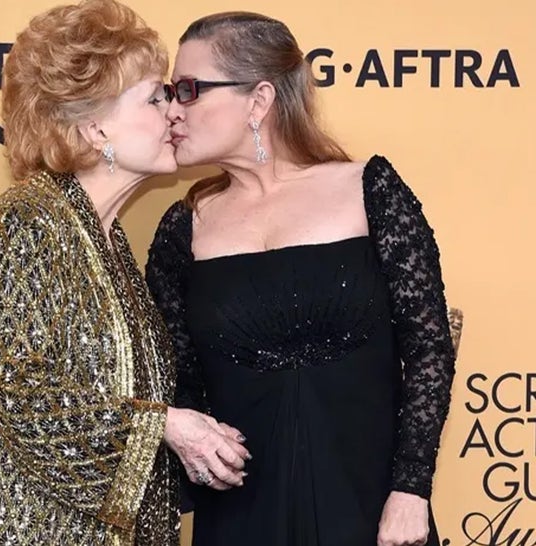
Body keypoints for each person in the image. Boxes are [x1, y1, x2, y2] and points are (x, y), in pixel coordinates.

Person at [146, 11, 456, 546]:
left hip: (372, 511)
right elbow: (179, 384)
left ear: (259, 101)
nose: (173, 110)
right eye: (171, 92)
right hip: (241, 518)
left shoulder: (369, 190)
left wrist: (411, 491)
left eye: (190, 90)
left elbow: (428, 346)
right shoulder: (183, 229)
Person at [0, 2, 249, 545]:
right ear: (94, 127)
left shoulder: (104, 240)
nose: (174, 112)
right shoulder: (25, 223)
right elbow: (23, 396)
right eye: (155, 97)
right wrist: (164, 425)